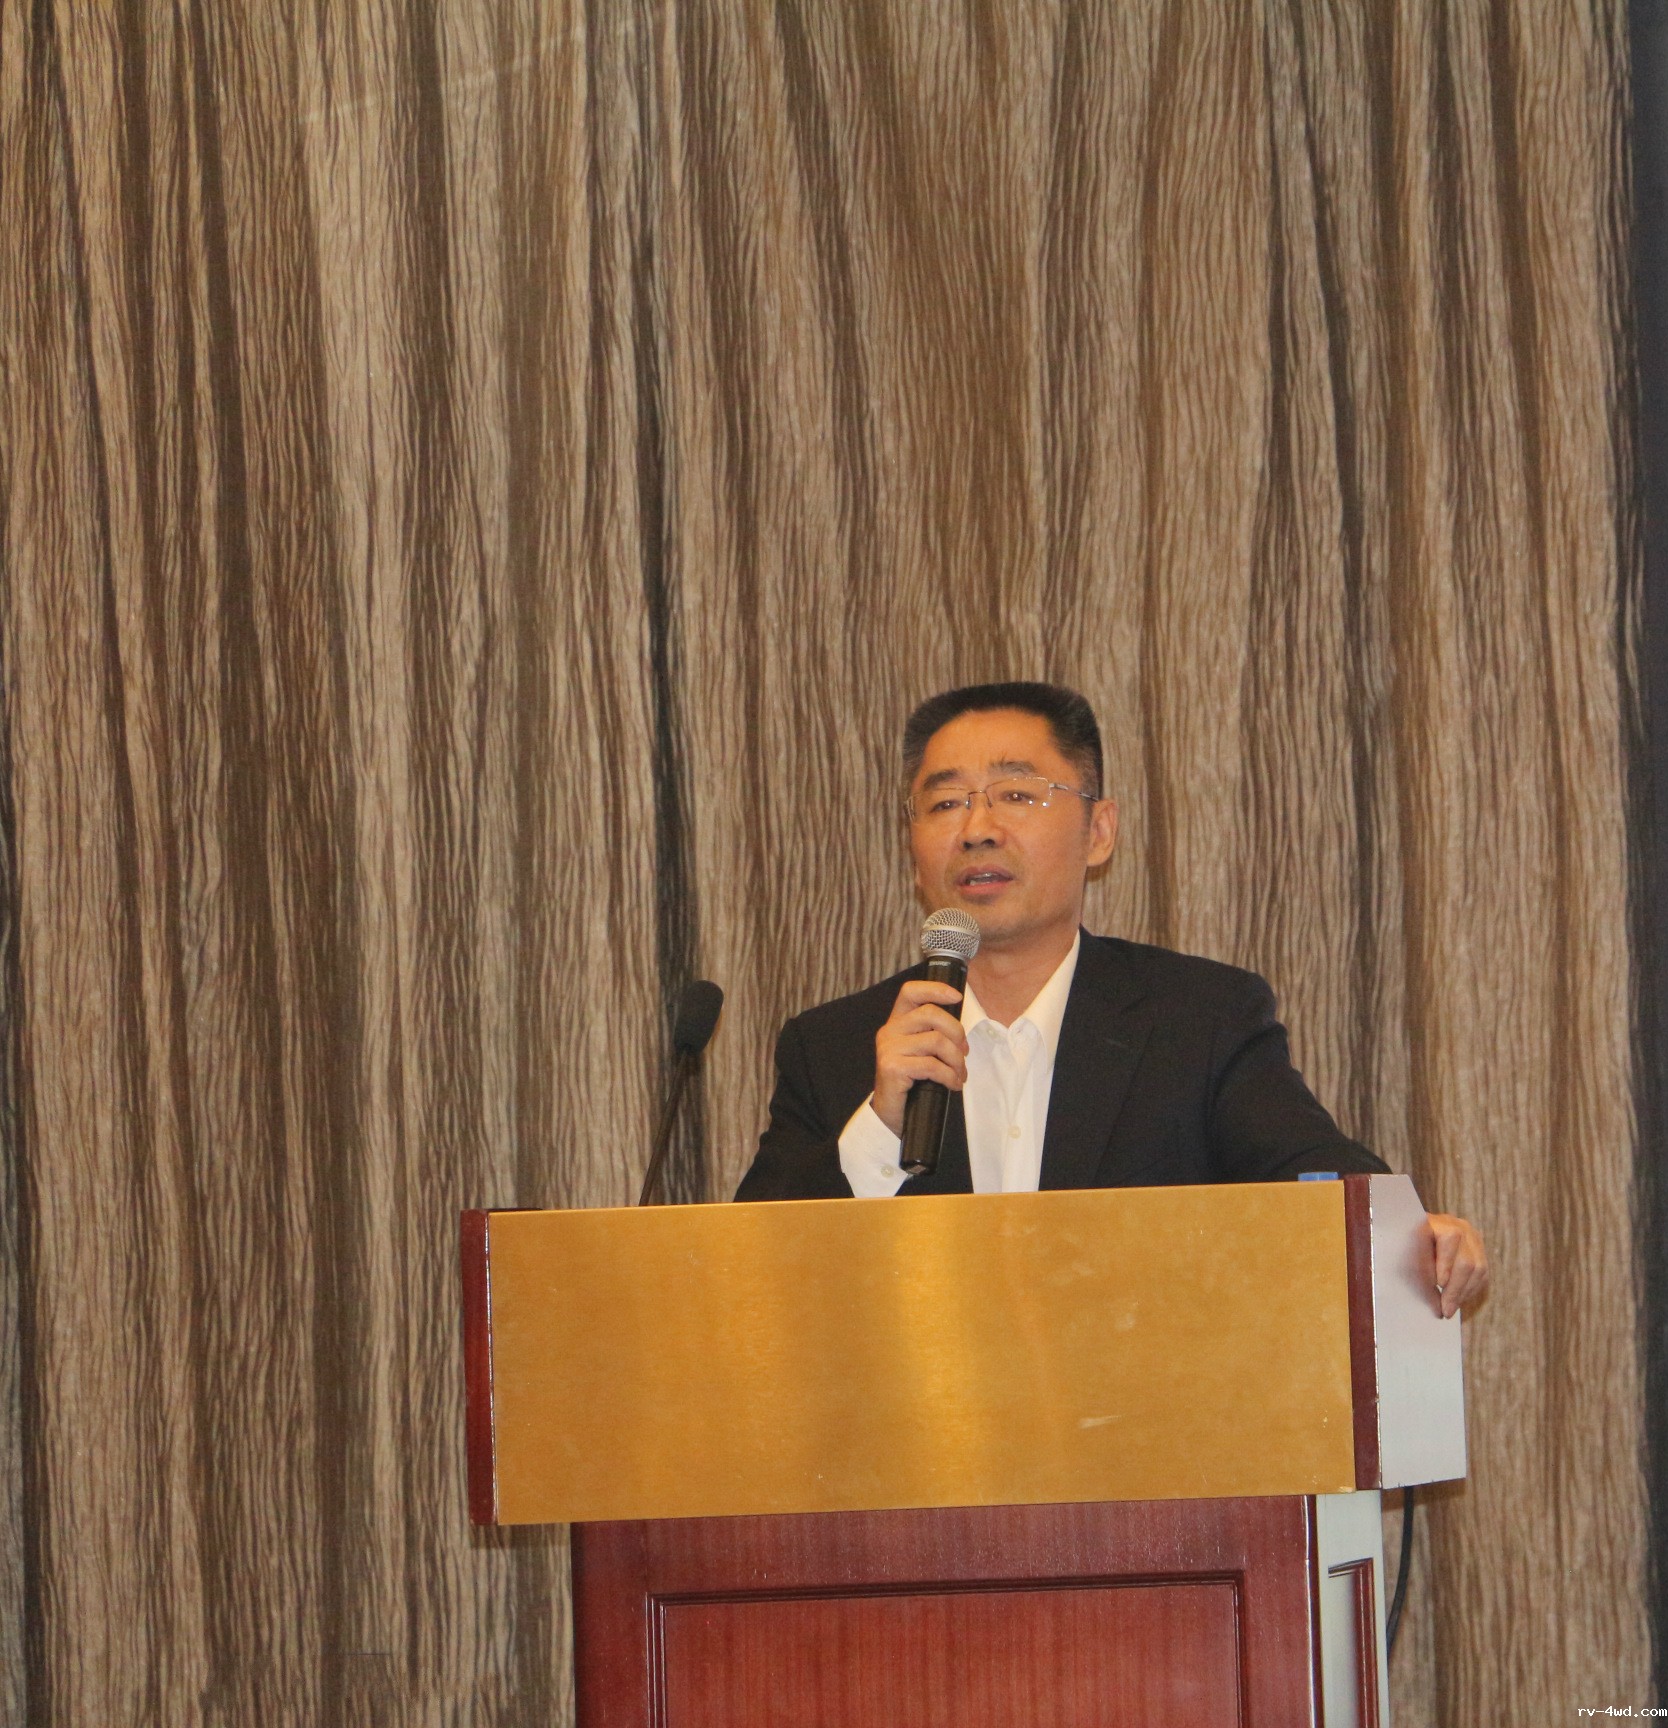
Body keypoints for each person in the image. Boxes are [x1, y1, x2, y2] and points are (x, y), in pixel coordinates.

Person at [735, 681, 1489, 1316]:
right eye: (945, 803)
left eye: (1016, 794)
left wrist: (1406, 1230)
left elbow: (1311, 1175)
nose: (976, 829)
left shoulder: (1197, 1019)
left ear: (1099, 831)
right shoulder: (834, 1046)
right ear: (912, 849)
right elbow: (747, 1275)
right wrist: (879, 1128)